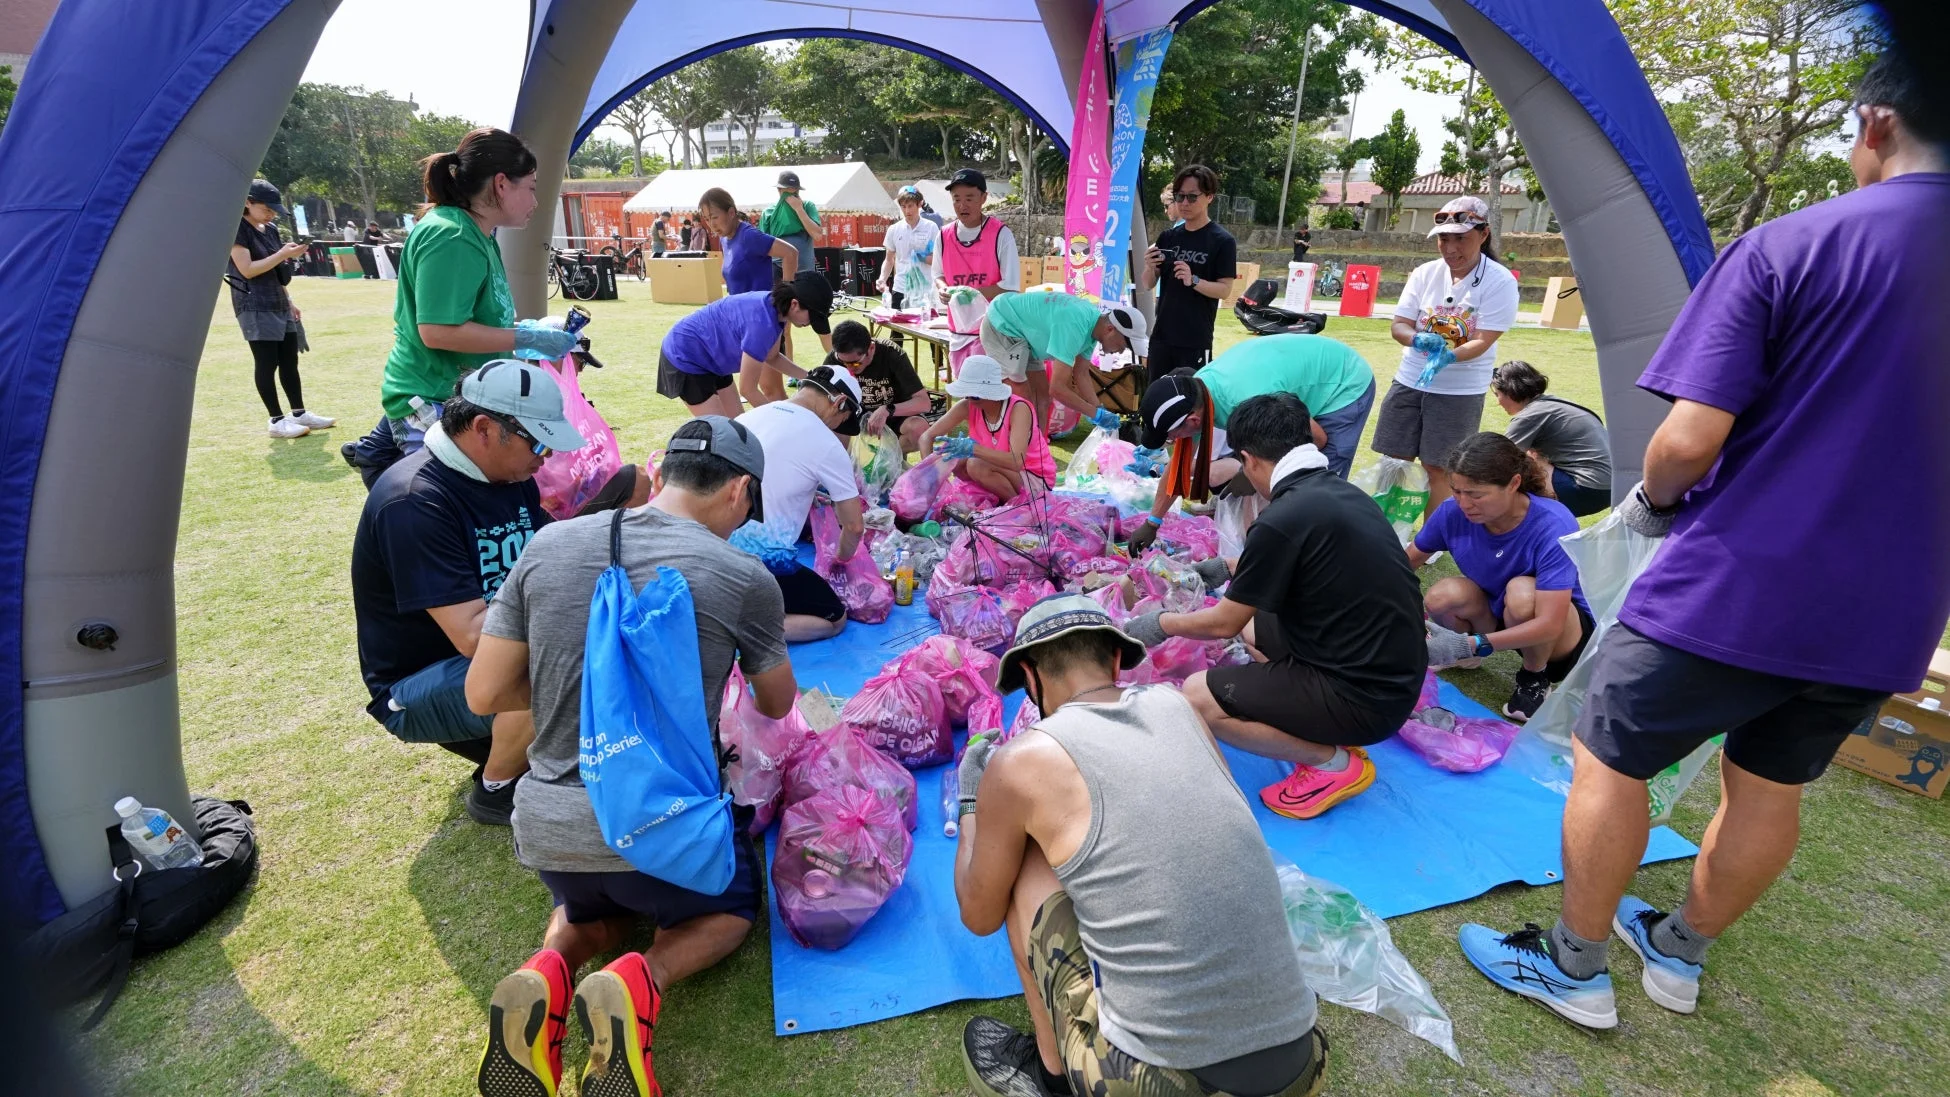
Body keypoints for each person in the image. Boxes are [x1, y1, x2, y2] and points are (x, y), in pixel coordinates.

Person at [1457, 51, 1950, 1032]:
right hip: (1891, 608)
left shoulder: (1797, 244)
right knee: (1770, 783)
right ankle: (1678, 948)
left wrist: (1650, 504)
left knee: (1609, 755)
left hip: (1739, 578)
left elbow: (1686, 442)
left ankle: (1574, 965)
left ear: (1878, 122)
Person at [468, 417, 793, 1097]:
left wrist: (589, 690)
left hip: (554, 833)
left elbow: (485, 692)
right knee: (728, 913)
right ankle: (643, 978)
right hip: (665, 832)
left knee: (593, 910)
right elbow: (775, 703)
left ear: (662, 471)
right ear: (739, 491)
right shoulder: (742, 575)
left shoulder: (548, 544)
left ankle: (549, 968)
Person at [954, 593, 1330, 1097]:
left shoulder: (1020, 761)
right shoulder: (1179, 706)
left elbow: (979, 915)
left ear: (1029, 676)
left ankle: (1052, 1075)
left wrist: (972, 801)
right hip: (1300, 1062)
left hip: (1157, 1083)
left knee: (1022, 858)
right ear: (1116, 661)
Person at [1124, 394, 1424, 820]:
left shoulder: (1282, 518)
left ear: (1248, 459)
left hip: (1365, 699)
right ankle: (1312, 716)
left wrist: (1159, 623)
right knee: (1255, 629)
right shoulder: (1342, 493)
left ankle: (1332, 764)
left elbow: (1223, 623)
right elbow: (1302, 563)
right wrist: (1227, 567)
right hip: (1393, 674)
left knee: (1198, 695)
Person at [350, 360, 587, 826]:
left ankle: (532, 750)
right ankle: (497, 789)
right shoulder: (414, 501)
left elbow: (550, 552)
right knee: (567, 664)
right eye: (539, 443)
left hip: (485, 665)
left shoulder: (508, 475)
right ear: (483, 428)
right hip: (420, 684)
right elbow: (474, 637)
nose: (545, 458)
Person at [379, 128, 580, 453]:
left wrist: (524, 331)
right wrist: (525, 338)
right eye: (531, 188)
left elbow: (474, 319)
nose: (535, 201)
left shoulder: (477, 234)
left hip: (462, 399)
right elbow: (437, 331)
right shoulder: (453, 235)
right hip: (434, 402)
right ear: (501, 184)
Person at [1129, 333, 1375, 551]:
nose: (1172, 441)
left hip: (1343, 382)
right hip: (1296, 376)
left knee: (1315, 487)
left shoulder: (1246, 401)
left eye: (1170, 436)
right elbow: (1177, 469)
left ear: (1192, 420)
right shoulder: (1195, 393)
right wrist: (1153, 522)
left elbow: (1316, 441)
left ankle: (1320, 556)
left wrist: (1251, 475)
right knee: (1272, 485)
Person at [1411, 433, 1593, 722]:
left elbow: (1551, 623)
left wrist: (1467, 642)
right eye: (1456, 491)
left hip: (1558, 636)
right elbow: (1404, 563)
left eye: (1476, 494)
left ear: (1514, 484)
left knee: (1522, 593)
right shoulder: (1451, 512)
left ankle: (1534, 677)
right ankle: (1467, 657)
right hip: (1499, 612)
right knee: (1442, 595)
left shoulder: (1554, 523)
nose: (1463, 503)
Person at [1370, 195, 1519, 522]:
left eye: (1460, 239)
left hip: (1458, 391)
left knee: (1440, 467)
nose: (1450, 248)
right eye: (1443, 239)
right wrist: (1415, 338)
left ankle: (1432, 538)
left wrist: (1448, 358)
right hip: (1409, 380)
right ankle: (1383, 529)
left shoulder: (1500, 281)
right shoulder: (1425, 273)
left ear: (1483, 234)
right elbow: (1399, 325)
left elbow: (1483, 340)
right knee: (1394, 460)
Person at [733, 365, 866, 643]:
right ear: (839, 402)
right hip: (760, 559)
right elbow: (854, 526)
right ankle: (740, 629)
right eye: (842, 420)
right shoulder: (825, 442)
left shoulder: (748, 417)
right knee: (834, 618)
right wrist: (839, 560)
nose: (836, 428)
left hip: (713, 545)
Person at [226, 179, 334, 438]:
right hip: (254, 304)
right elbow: (247, 270)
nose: (271, 214)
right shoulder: (236, 228)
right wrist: (283, 254)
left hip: (278, 301)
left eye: (274, 210)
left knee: (289, 360)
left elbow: (275, 270)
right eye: (266, 209)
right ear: (248, 202)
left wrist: (289, 300)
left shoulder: (271, 229)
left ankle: (299, 413)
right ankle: (276, 420)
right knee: (266, 362)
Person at [656, 273, 833, 418]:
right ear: (794, 304)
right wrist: (778, 419)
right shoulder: (762, 323)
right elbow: (748, 390)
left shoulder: (777, 309)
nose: (810, 324)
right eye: (812, 318)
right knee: (722, 433)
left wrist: (810, 377)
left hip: (713, 357)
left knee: (738, 425)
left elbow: (772, 357)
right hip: (686, 356)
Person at [980, 289, 1144, 432]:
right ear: (1110, 329)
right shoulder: (1075, 324)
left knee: (1042, 399)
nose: (1122, 351)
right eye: (1124, 344)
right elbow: (1057, 388)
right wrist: (1094, 414)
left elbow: (1081, 374)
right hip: (1002, 322)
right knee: (1022, 397)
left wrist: (1099, 409)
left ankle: (1037, 450)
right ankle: (1017, 449)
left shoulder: (1093, 327)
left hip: (1024, 334)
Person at [699, 187, 800, 406]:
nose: (711, 224)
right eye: (706, 219)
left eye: (714, 217)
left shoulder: (749, 236)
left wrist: (786, 293)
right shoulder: (725, 240)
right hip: (741, 325)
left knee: (771, 390)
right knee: (761, 388)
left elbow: (790, 253)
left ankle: (793, 423)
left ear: (731, 212)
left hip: (762, 321)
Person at [1139, 165, 1237, 384]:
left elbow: (1225, 290)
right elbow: (1146, 284)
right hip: (1162, 337)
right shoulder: (1168, 237)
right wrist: (1150, 267)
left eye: (1192, 197)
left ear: (1209, 197)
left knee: (1191, 398)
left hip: (1194, 339)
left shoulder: (1222, 241)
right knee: (1155, 395)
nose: (1184, 203)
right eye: (1179, 196)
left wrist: (1193, 280)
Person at [920, 355, 1057, 503]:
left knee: (975, 465)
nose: (969, 398)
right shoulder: (968, 405)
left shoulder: (1018, 409)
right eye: (967, 394)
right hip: (1005, 472)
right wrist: (930, 476)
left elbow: (1017, 461)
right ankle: (996, 499)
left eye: (974, 395)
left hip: (1034, 477)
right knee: (955, 461)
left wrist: (973, 449)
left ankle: (1019, 506)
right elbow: (926, 437)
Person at [1491, 360, 1613, 516]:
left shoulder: (1529, 415)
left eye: (1498, 395)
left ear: (1510, 391)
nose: (1498, 403)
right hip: (1611, 487)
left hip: (1587, 488)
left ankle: (1539, 521)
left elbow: (1499, 460)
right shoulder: (1556, 403)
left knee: (1515, 471)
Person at [935, 168, 1023, 373]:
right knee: (964, 388)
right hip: (958, 332)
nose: (962, 205)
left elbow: (1010, 286)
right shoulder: (943, 235)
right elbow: (938, 275)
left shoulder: (1000, 234)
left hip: (994, 333)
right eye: (956, 199)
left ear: (984, 198)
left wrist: (970, 294)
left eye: (969, 198)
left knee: (990, 389)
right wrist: (942, 289)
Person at [824, 319, 931, 453]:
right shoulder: (834, 359)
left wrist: (887, 410)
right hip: (855, 417)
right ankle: (851, 462)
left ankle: (885, 457)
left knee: (919, 429)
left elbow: (924, 403)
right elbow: (819, 397)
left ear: (871, 348)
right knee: (828, 424)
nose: (849, 369)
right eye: (843, 362)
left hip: (894, 416)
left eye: (855, 363)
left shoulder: (891, 353)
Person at [878, 184, 941, 308]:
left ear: (919, 204)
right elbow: (889, 260)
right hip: (900, 288)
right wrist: (882, 279)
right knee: (898, 320)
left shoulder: (931, 227)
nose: (907, 211)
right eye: (903, 206)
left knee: (923, 321)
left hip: (924, 290)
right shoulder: (894, 229)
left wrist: (921, 257)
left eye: (910, 206)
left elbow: (937, 260)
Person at [761, 169, 823, 286]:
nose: (793, 193)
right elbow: (763, 245)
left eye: (795, 190)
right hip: (777, 268)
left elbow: (817, 235)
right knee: (781, 297)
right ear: (779, 190)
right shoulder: (768, 212)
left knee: (804, 297)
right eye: (788, 190)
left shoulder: (807, 206)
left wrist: (799, 209)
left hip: (804, 271)